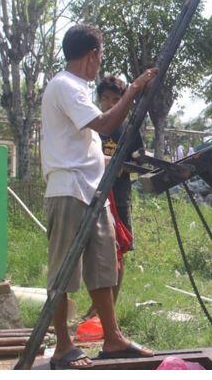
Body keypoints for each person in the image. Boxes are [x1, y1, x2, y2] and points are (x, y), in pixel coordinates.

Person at [40, 23, 158, 369]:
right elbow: (105, 125)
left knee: (102, 267)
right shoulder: (67, 86)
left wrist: (124, 163)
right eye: (100, 55)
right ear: (92, 56)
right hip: (69, 190)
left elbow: (88, 149)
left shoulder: (76, 90)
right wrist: (133, 89)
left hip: (92, 190)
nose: (100, 61)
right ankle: (63, 346)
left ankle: (113, 337)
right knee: (63, 271)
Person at [81, 75, 145, 321]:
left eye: (115, 99)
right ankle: (96, 308)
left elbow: (139, 160)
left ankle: (108, 310)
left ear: (123, 100)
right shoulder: (93, 124)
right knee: (93, 253)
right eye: (105, 98)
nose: (109, 103)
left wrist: (121, 166)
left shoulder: (129, 127)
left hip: (118, 198)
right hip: (92, 195)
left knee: (119, 253)